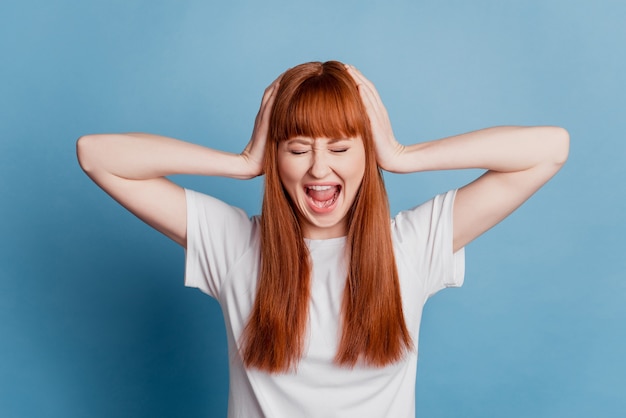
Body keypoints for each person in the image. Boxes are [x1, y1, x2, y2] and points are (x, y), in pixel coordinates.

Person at [76, 60, 569, 417]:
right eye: (297, 148)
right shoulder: (234, 245)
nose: (319, 168)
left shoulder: (411, 246)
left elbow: (549, 148)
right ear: (278, 158)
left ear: (364, 154)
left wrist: (401, 155)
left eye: (339, 147)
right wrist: (243, 162)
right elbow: (97, 155)